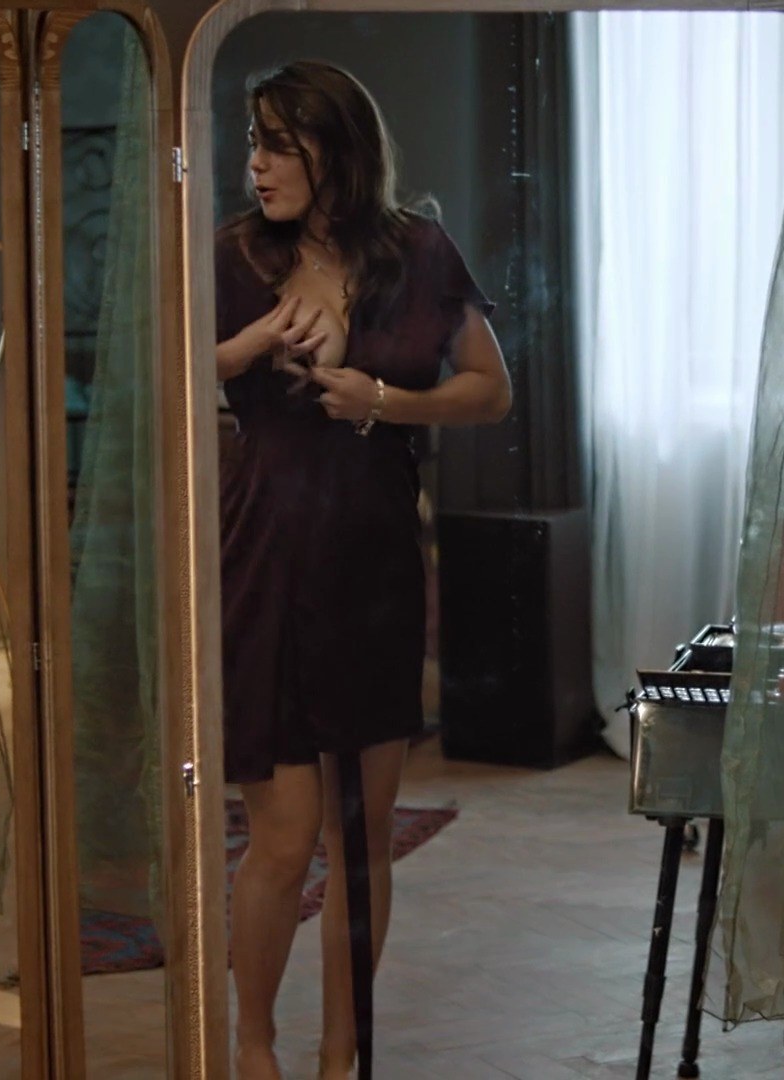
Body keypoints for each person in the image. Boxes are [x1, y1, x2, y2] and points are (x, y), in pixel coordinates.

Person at [213, 60, 512, 1080]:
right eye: (252, 144)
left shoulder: (418, 252)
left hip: (374, 563)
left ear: (335, 151)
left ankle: (343, 1054)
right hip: (264, 555)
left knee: (361, 834)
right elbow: (157, 376)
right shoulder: (231, 256)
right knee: (283, 833)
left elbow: (490, 390)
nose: (256, 166)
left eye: (276, 145)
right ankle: (254, 1045)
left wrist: (383, 400)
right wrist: (249, 344)